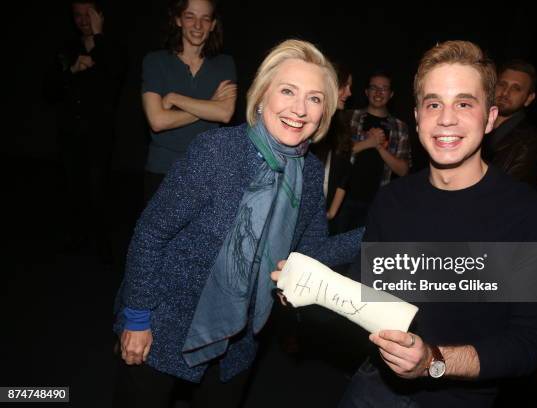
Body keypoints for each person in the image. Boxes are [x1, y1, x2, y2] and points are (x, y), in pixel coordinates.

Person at [112, 39, 363, 408]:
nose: (299, 109)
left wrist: (376, 234)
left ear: (325, 111)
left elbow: (309, 253)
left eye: (314, 98)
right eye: (288, 91)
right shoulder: (216, 151)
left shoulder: (308, 173)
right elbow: (151, 234)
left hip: (239, 343)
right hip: (162, 326)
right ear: (261, 96)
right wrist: (136, 319)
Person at [330, 41, 537, 407]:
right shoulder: (392, 200)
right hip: (374, 385)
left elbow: (531, 344)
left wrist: (432, 361)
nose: (446, 118)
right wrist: (311, 286)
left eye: (464, 104)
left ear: (490, 118)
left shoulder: (531, 218)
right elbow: (366, 290)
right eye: (434, 103)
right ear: (418, 117)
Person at [43, 0, 126, 262]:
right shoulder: (66, 48)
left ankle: (101, 244)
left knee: (98, 188)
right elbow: (48, 90)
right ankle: (75, 238)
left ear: (99, 15)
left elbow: (116, 74)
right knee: (72, 187)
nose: (82, 20)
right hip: (70, 133)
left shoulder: (111, 46)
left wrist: (99, 36)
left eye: (88, 14)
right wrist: (71, 70)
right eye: (77, 15)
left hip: (99, 133)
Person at [142, 0, 237, 202]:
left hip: (207, 173)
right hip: (162, 172)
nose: (197, 25)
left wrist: (174, 98)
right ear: (178, 20)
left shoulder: (224, 64)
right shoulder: (155, 61)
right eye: (190, 16)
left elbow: (225, 113)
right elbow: (157, 121)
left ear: (212, 25)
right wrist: (209, 105)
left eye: (205, 19)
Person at [335, 71, 411, 231]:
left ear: (391, 94)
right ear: (366, 92)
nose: (378, 92)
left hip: (377, 203)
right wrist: (369, 142)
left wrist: (378, 146)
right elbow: (337, 155)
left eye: (383, 88)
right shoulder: (349, 117)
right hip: (342, 199)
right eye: (374, 87)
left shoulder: (400, 127)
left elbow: (403, 170)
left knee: (366, 253)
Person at [482, 59, 537, 189]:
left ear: (528, 99)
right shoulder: (475, 124)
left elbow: (506, 188)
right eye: (502, 84)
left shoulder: (532, 141)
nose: (505, 93)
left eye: (516, 88)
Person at [310, 63, 353, 234]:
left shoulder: (340, 126)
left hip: (322, 222)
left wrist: (331, 212)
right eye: (345, 86)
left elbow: (345, 173)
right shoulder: (309, 122)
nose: (349, 93)